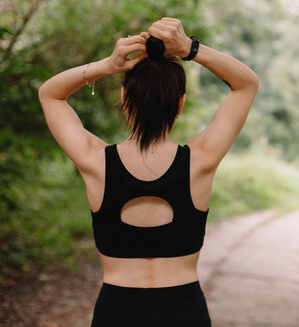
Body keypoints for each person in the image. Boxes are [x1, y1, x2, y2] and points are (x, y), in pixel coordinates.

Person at [38, 17, 259, 326]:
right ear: (179, 104)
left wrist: (107, 65)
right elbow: (246, 84)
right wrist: (189, 49)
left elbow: (50, 93)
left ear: (125, 100)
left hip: (116, 312)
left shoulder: (95, 161)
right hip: (185, 312)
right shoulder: (200, 160)